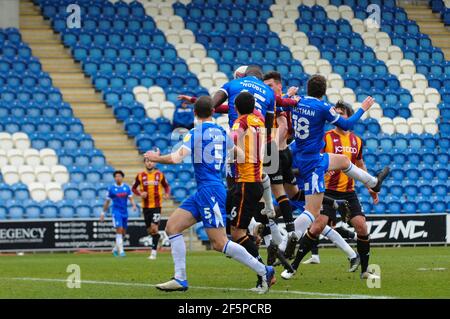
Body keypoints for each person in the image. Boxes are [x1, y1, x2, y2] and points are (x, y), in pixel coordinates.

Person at [144, 96, 274, 293]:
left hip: (210, 191)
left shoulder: (195, 133)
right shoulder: (222, 132)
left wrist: (156, 158)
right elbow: (240, 155)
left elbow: (178, 158)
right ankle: (180, 279)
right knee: (172, 227)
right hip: (207, 189)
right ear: (213, 112)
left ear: (195, 114)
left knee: (219, 242)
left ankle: (264, 270)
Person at [280, 74, 389, 280]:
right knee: (313, 217)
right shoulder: (323, 114)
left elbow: (284, 109)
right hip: (314, 164)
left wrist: (287, 95)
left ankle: (373, 182)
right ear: (324, 91)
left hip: (337, 181)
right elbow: (346, 124)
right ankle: (288, 243)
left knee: (344, 162)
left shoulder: (296, 101)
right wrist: (363, 109)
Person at [302, 101, 379, 278]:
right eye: (335, 112)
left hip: (348, 191)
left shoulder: (357, 141)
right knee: (317, 227)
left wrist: (370, 187)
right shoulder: (326, 137)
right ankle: (295, 265)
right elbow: (317, 160)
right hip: (327, 191)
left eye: (341, 113)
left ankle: (365, 271)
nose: (337, 116)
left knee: (361, 227)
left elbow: (359, 165)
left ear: (348, 116)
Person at [132, 157, 171, 260]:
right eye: (148, 161)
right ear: (145, 163)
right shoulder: (140, 176)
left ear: (154, 163)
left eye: (152, 161)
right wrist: (140, 193)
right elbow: (133, 188)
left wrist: (167, 194)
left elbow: (166, 186)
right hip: (145, 207)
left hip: (156, 206)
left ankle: (153, 253)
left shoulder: (159, 175)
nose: (149, 163)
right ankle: (158, 237)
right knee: (150, 231)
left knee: (154, 228)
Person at [100, 170, 137, 257]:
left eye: (119, 176)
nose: (118, 178)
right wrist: (103, 213)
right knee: (119, 230)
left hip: (125, 212)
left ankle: (115, 249)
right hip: (116, 212)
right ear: (114, 178)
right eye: (116, 176)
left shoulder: (126, 187)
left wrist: (134, 205)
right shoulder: (111, 189)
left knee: (123, 232)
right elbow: (107, 202)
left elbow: (130, 198)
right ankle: (121, 251)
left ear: (122, 177)